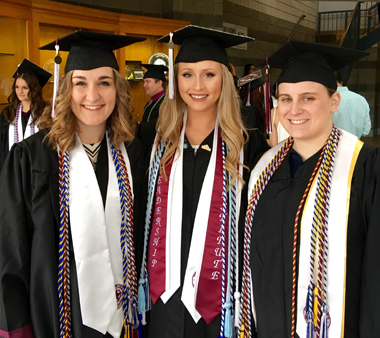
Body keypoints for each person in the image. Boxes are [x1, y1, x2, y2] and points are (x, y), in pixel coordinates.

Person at [0, 31, 147, 338]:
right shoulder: (31, 159)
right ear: (66, 90)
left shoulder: (133, 155)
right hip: (54, 319)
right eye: (81, 82)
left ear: (117, 90)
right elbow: (11, 254)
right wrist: (17, 328)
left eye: (103, 82)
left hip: (122, 319)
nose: (92, 96)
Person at [239, 40, 380, 338]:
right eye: (285, 99)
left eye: (308, 98)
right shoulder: (264, 168)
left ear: (334, 102)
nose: (294, 110)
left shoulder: (365, 168)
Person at [136, 25, 268, 338]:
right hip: (163, 295)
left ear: (224, 78)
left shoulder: (247, 144)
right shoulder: (155, 140)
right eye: (187, 74)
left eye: (209, 74)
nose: (198, 85)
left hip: (220, 299)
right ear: (175, 80)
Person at [0, 59, 51, 173]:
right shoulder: (8, 113)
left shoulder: (46, 112)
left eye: (25, 87)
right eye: (17, 87)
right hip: (12, 170)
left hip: (38, 171)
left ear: (34, 89)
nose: (20, 91)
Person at [332, 70, 371, 138]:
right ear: (341, 81)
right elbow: (366, 130)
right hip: (355, 145)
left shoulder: (328, 100)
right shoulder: (361, 99)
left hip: (332, 145)